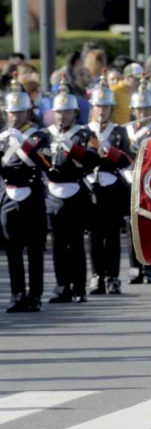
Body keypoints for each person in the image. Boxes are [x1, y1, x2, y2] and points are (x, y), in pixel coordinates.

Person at [45, 76, 100, 304]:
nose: (61, 116)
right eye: (58, 112)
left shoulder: (87, 134)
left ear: (75, 113)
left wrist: (72, 149)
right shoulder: (46, 134)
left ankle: (79, 287)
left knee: (76, 243)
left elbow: (93, 158)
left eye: (66, 112)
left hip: (76, 191)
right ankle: (61, 286)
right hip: (53, 192)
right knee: (58, 244)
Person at [0, 73, 50, 312]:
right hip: (8, 196)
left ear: (28, 113)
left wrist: (19, 142)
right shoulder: (1, 137)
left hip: (32, 196)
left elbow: (46, 163)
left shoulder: (40, 135)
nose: (14, 116)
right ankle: (17, 294)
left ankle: (35, 295)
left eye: (18, 112)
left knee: (34, 249)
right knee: (12, 250)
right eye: (11, 112)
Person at [86, 70, 132, 295]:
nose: (101, 110)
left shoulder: (119, 131)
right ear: (93, 108)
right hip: (91, 185)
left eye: (105, 107)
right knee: (94, 236)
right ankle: (97, 276)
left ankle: (113, 277)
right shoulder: (86, 131)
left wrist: (109, 151)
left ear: (110, 109)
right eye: (98, 106)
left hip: (112, 186)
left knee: (112, 235)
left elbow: (128, 159)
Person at [124, 80, 151, 285]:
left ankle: (149, 266)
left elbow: (147, 151)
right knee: (131, 224)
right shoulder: (126, 129)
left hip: (148, 181)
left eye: (145, 109)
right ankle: (135, 267)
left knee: (147, 223)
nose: (141, 113)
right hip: (129, 180)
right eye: (138, 109)